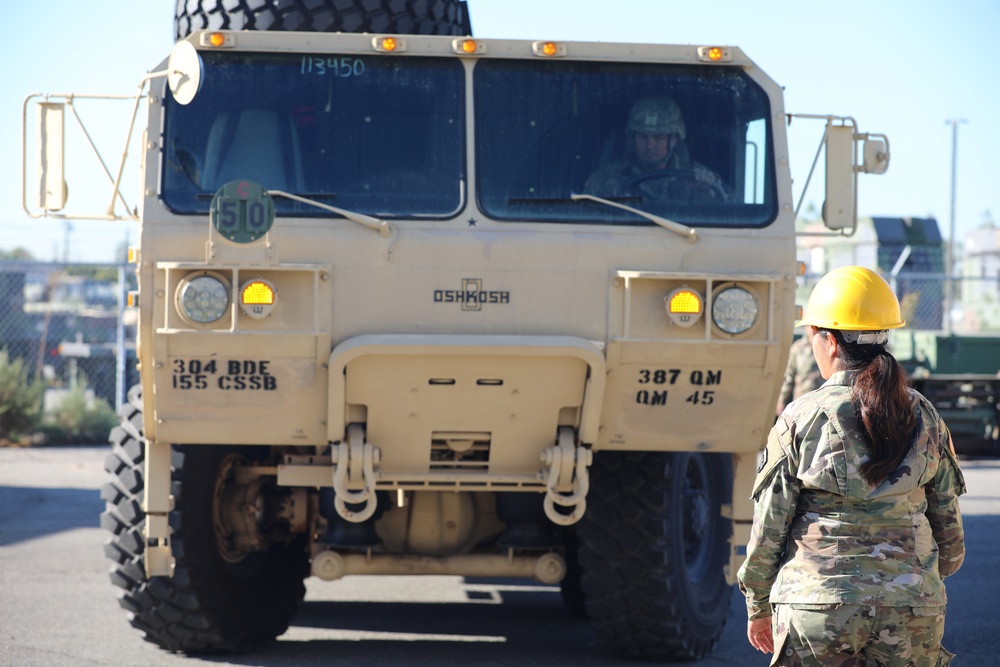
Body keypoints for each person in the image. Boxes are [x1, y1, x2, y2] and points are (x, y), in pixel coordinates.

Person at [737, 265, 966, 666]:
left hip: (817, 608)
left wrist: (758, 603)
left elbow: (769, 528)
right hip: (911, 608)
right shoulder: (925, 416)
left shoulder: (799, 418)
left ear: (828, 342)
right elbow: (951, 540)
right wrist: (913, 583)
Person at [583, 96, 727, 202]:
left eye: (659, 138)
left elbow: (730, 219)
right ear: (632, 138)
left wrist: (705, 192)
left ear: (674, 140)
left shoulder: (698, 178)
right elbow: (583, 222)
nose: (650, 145)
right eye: (642, 137)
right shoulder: (604, 179)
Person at [776, 333, 824, 416]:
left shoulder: (826, 345)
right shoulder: (797, 347)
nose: (812, 329)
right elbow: (789, 375)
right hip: (802, 400)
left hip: (822, 400)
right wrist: (782, 399)